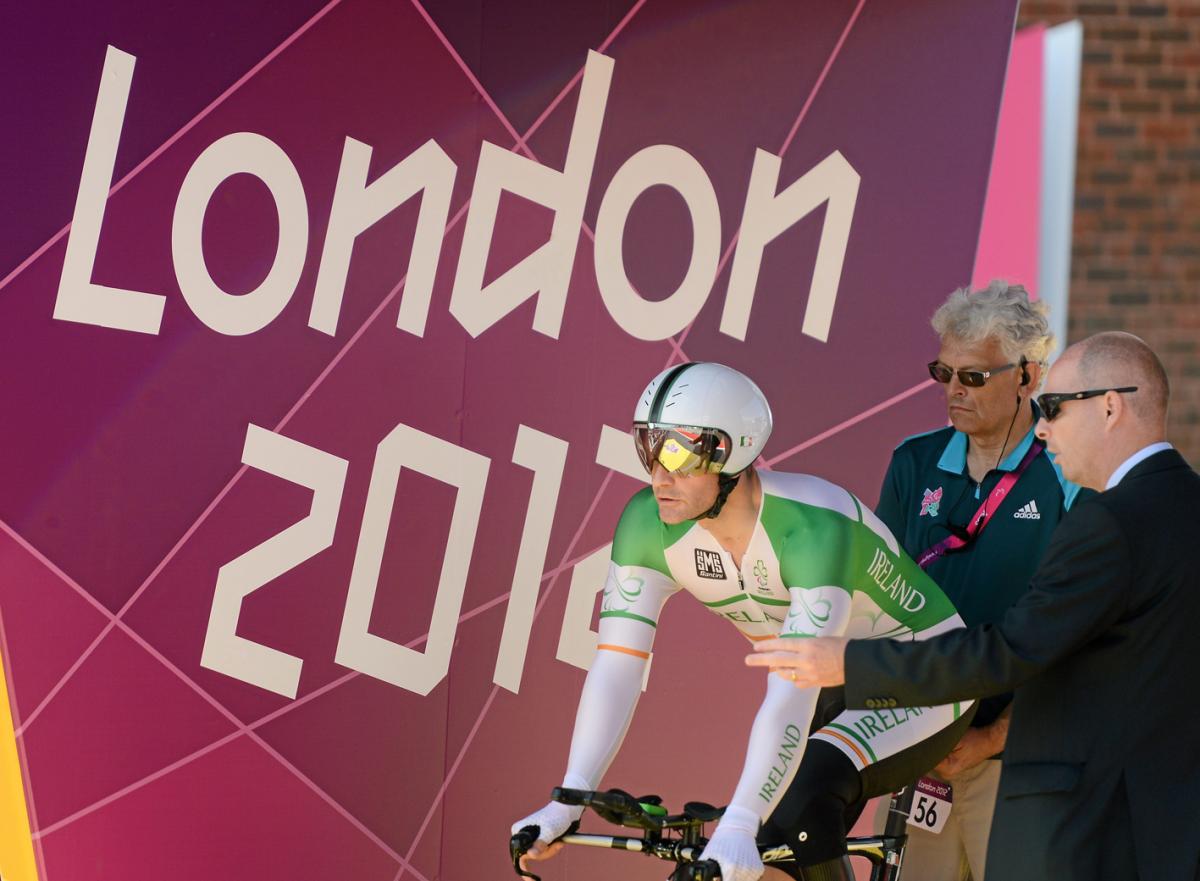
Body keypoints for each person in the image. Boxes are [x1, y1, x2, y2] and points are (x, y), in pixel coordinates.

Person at [748, 332, 1200, 881]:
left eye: (1053, 409)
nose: (1042, 426)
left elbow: (1010, 650)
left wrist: (852, 663)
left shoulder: (1106, 522)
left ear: (1110, 407)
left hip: (1091, 826)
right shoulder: (1182, 505)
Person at [512, 361, 977, 881]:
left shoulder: (813, 526)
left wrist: (741, 818)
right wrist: (570, 798)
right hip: (829, 682)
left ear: (733, 452)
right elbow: (617, 666)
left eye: (677, 453)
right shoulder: (646, 523)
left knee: (798, 799)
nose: (658, 475)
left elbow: (791, 692)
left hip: (922, 673)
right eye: (646, 447)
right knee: (761, 839)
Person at [873, 281, 1087, 881]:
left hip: (1022, 753)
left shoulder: (1067, 471)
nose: (953, 391)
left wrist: (992, 736)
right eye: (944, 372)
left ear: (1028, 376)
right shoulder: (913, 462)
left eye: (973, 377)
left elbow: (1080, 630)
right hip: (923, 751)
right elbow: (877, 605)